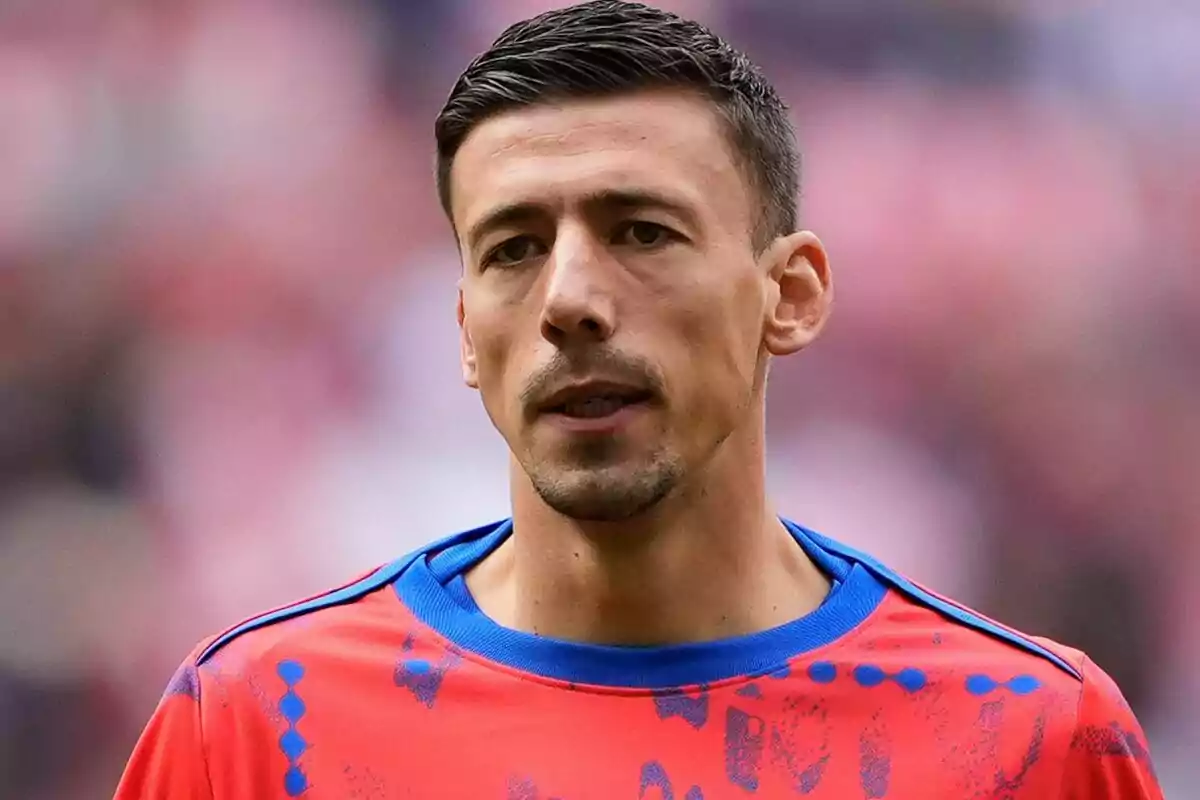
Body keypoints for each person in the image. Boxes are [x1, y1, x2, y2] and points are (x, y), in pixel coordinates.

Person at [114, 2, 1164, 798]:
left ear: (788, 296)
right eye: (515, 248)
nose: (569, 299)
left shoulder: (1033, 738)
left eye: (642, 232)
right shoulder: (255, 725)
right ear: (465, 330)